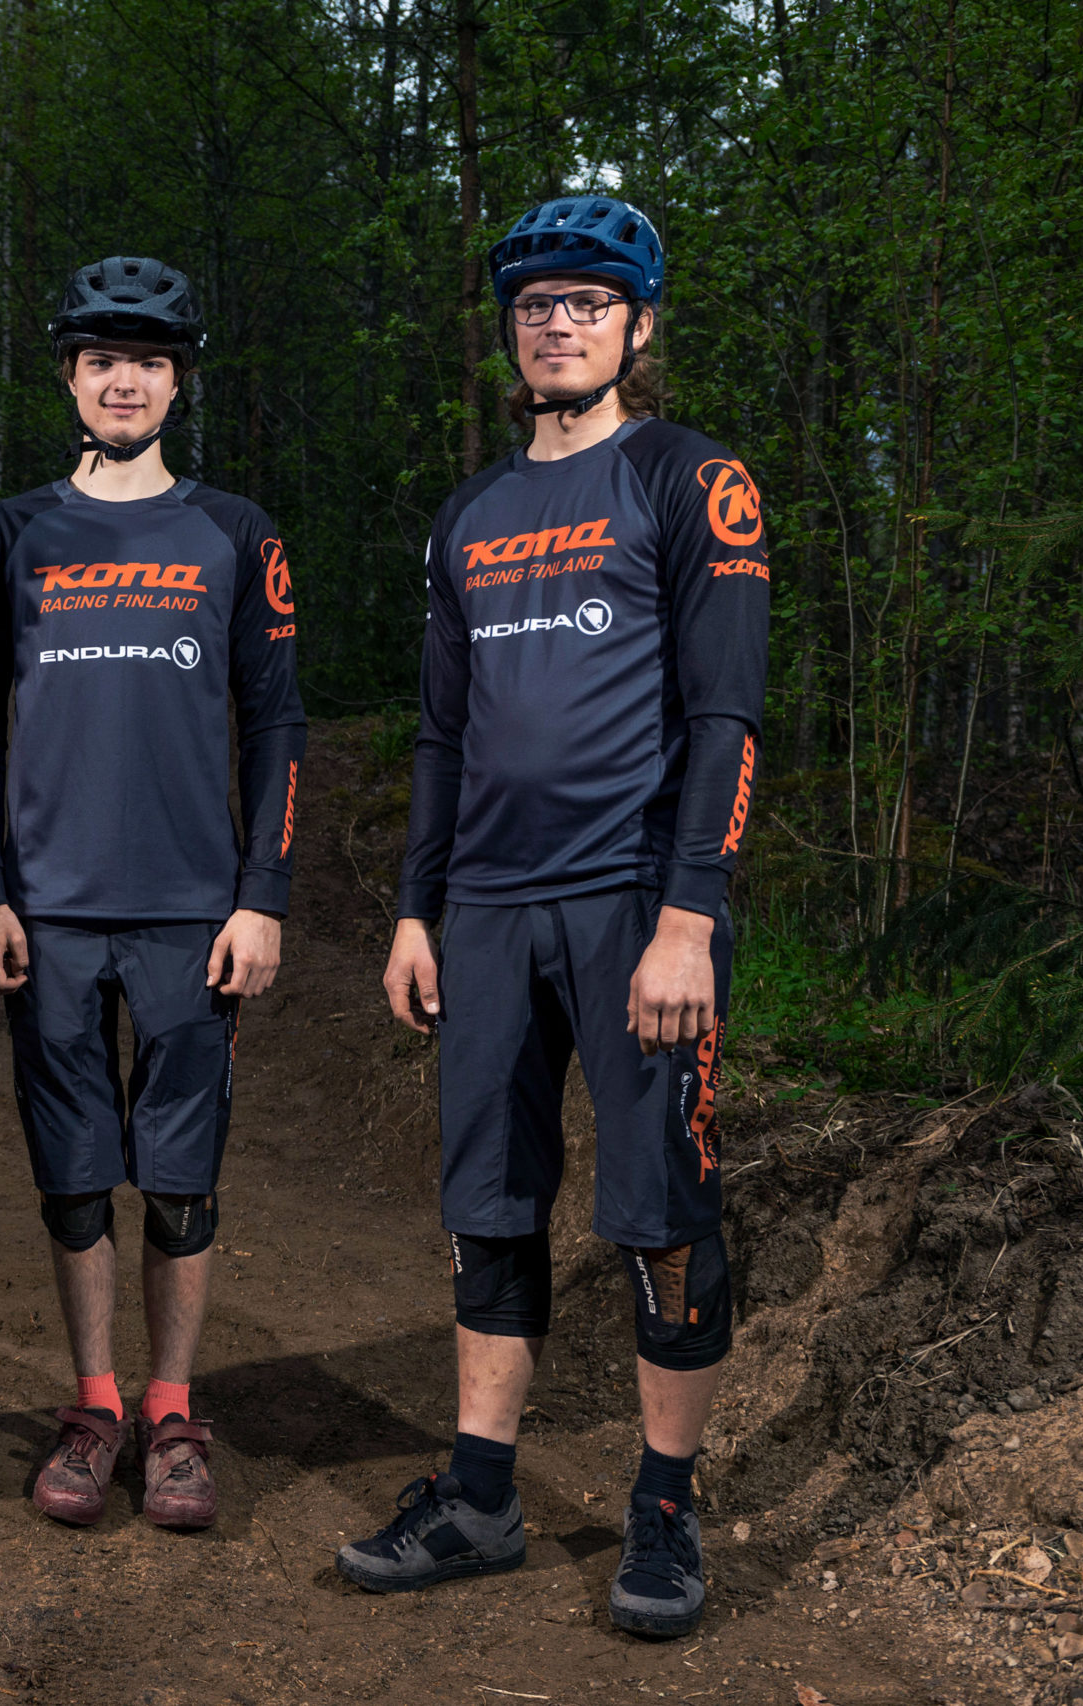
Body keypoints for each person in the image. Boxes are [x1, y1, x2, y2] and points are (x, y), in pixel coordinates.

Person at [333, 197, 771, 1640]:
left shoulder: (690, 477)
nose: (557, 323)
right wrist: (415, 908)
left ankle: (664, 1506)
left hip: (635, 906)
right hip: (486, 909)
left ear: (637, 325)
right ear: (508, 334)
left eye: (587, 301)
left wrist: (690, 913)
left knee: (659, 1215)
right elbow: (442, 736)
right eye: (534, 305)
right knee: (488, 1205)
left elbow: (726, 714)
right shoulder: (468, 513)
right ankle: (478, 1495)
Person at [0, 256, 306, 1532]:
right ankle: (94, 1405)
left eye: (148, 360)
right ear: (68, 374)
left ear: (178, 381)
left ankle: (172, 1411)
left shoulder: (236, 533)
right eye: (102, 358)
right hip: (45, 911)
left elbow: (275, 724)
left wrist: (261, 894)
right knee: (73, 1173)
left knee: (182, 1177)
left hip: (192, 911)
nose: (124, 380)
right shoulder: (7, 534)